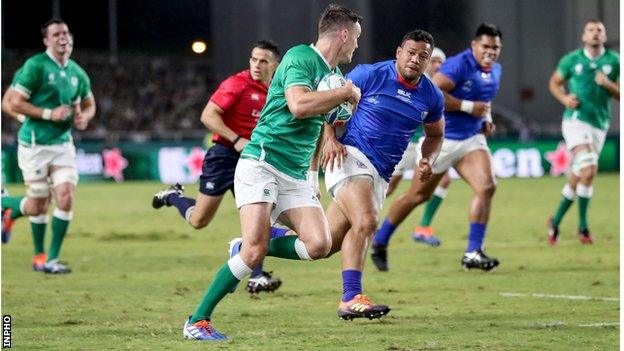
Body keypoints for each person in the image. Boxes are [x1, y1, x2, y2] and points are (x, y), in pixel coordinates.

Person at [182, 4, 363, 340]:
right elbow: (297, 105)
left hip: (294, 174)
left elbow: (316, 131)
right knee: (254, 251)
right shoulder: (300, 58)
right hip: (262, 163)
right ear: (343, 34)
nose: (356, 45)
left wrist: (313, 178)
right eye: (355, 38)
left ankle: (250, 244)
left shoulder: (335, 76)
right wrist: (345, 94)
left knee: (320, 245)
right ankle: (198, 320)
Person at [321, 29, 444, 320]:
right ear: (399, 51)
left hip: (381, 173)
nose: (415, 59)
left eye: (423, 56)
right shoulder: (370, 75)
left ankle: (257, 242)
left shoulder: (431, 95)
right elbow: (326, 101)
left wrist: (427, 158)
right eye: (411, 53)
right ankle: (351, 298)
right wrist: (329, 138)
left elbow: (436, 135)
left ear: (428, 62)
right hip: (350, 157)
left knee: (322, 245)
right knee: (366, 221)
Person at [152, 40, 284, 294]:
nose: (257, 65)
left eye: (263, 61)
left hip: (252, 160)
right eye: (253, 59)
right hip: (224, 155)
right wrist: (236, 140)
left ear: (274, 65)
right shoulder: (237, 84)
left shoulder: (277, 90)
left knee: (259, 216)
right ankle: (174, 197)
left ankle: (257, 276)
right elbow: (208, 115)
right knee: (199, 220)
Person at [371, 23, 503, 272]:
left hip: (471, 139)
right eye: (485, 46)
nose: (490, 51)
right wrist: (467, 107)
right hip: (444, 139)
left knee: (487, 186)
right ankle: (380, 239)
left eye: (495, 47)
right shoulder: (457, 65)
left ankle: (473, 252)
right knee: (418, 196)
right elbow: (435, 93)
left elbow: (484, 100)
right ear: (474, 45)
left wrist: (486, 120)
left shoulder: (495, 70)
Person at [1, 19, 95, 274]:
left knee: (65, 196)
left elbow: (89, 103)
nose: (62, 37)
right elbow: (13, 102)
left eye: (65, 32)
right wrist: (47, 113)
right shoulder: (35, 66)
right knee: (37, 205)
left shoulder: (77, 73)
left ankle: (50, 259)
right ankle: (7, 206)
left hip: (63, 145)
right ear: (46, 41)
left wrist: (84, 117)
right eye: (56, 34)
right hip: (34, 145)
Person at [546, 20, 619, 245]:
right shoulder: (571, 60)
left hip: (599, 124)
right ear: (584, 36)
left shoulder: (614, 61)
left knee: (580, 174)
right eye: (591, 30)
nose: (595, 33)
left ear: (604, 36)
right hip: (575, 122)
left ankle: (555, 222)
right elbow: (554, 83)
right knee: (589, 169)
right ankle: (583, 228)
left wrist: (607, 84)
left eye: (599, 30)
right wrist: (565, 99)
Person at [1, 33, 75, 246]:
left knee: (50, 199)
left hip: (58, 144)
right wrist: (28, 116)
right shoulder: (31, 70)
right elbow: (7, 102)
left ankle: (9, 212)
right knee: (43, 200)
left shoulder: (70, 73)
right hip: (36, 144)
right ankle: (6, 205)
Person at [386, 47, 449, 247]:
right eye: (434, 61)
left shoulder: (437, 88)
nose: (437, 65)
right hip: (403, 143)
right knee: (387, 188)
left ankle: (423, 228)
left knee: (443, 179)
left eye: (440, 62)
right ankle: (361, 218)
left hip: (422, 144)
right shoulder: (412, 81)